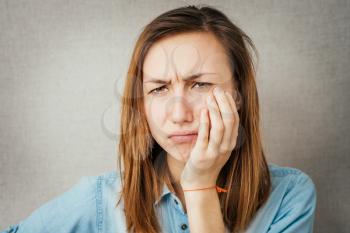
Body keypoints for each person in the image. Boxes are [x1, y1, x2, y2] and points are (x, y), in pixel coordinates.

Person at [1, 4, 317, 233]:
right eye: (159, 89)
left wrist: (199, 186)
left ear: (239, 95)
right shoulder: (100, 202)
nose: (179, 115)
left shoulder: (289, 195)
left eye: (201, 84)